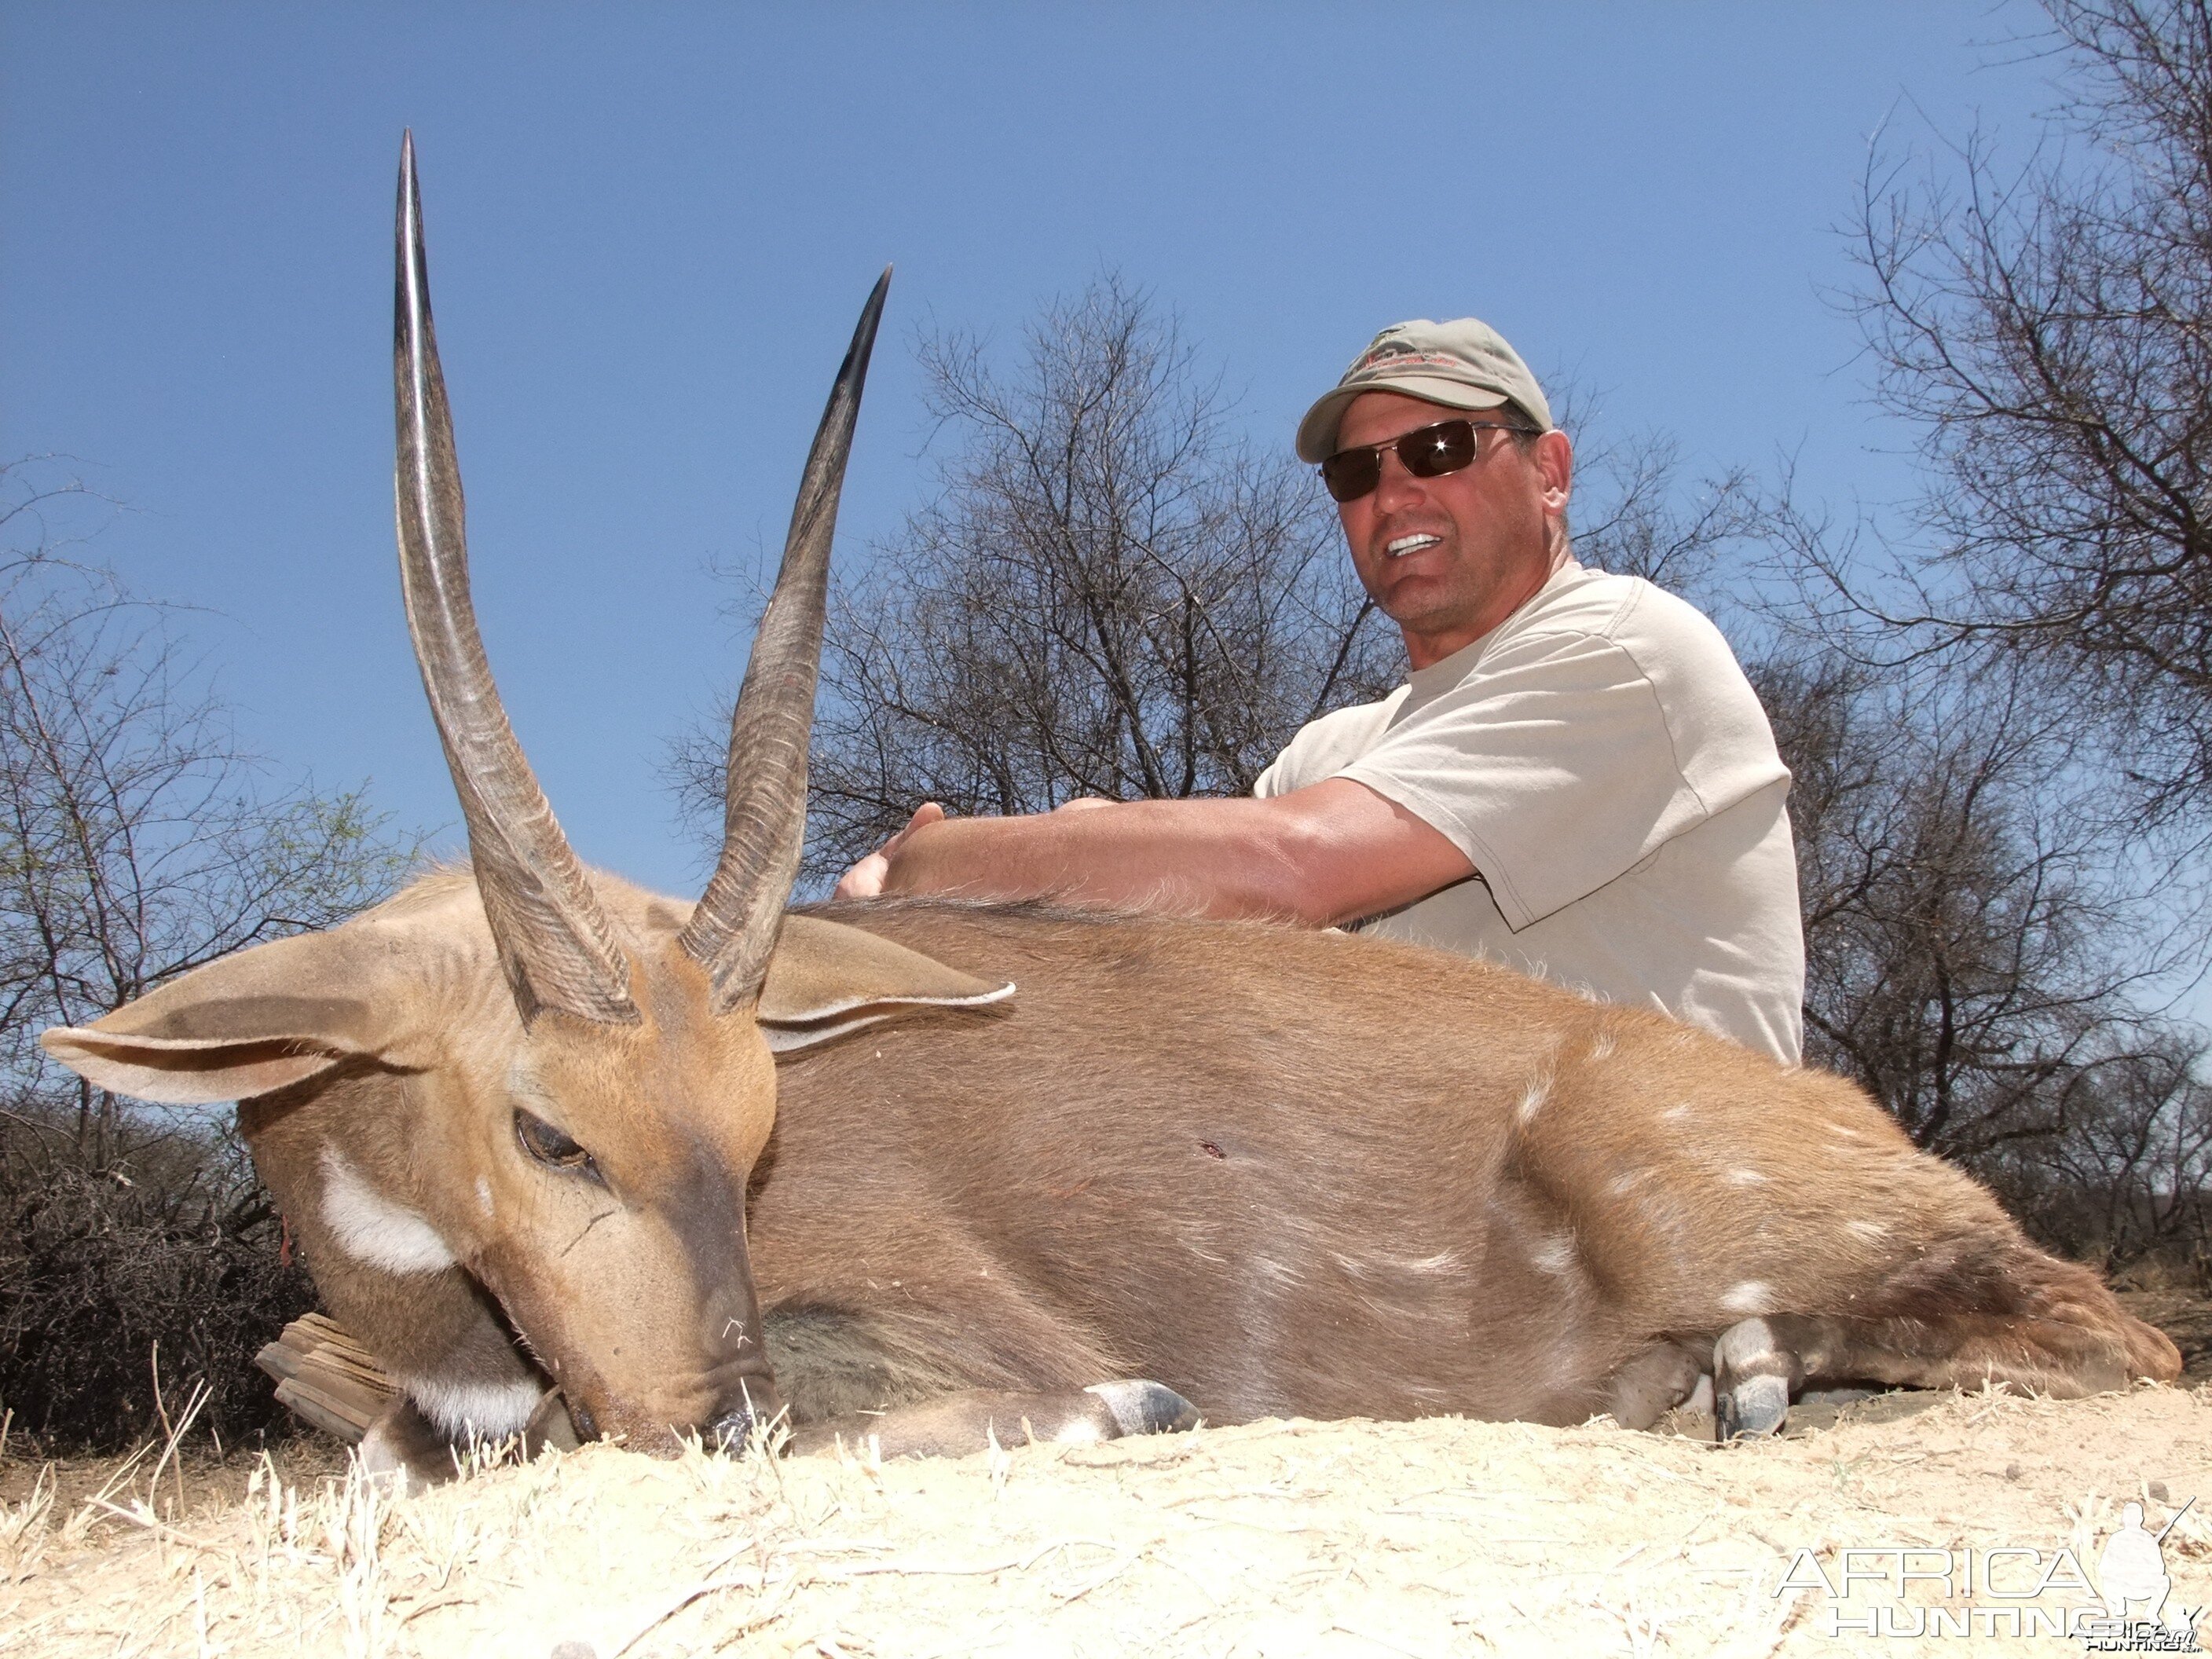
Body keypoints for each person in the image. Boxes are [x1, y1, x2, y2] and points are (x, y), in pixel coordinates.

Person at [834, 318, 1805, 1062]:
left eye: (1439, 449)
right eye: (1354, 472)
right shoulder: (1331, 751)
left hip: (1676, 1265)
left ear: (1548, 471)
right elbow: (1179, 904)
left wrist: (927, 868)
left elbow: (1287, 867)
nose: (1393, 495)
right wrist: (1060, 846)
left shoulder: (1626, 649)